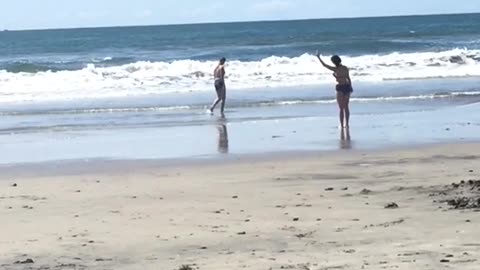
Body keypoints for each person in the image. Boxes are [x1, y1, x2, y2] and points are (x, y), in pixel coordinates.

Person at [316, 51, 353, 128]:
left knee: (341, 108)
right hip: (347, 87)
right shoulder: (345, 68)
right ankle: (347, 124)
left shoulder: (335, 69)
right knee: (346, 107)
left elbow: (324, 65)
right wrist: (350, 87)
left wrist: (318, 57)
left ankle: (342, 124)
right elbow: (348, 78)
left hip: (340, 87)